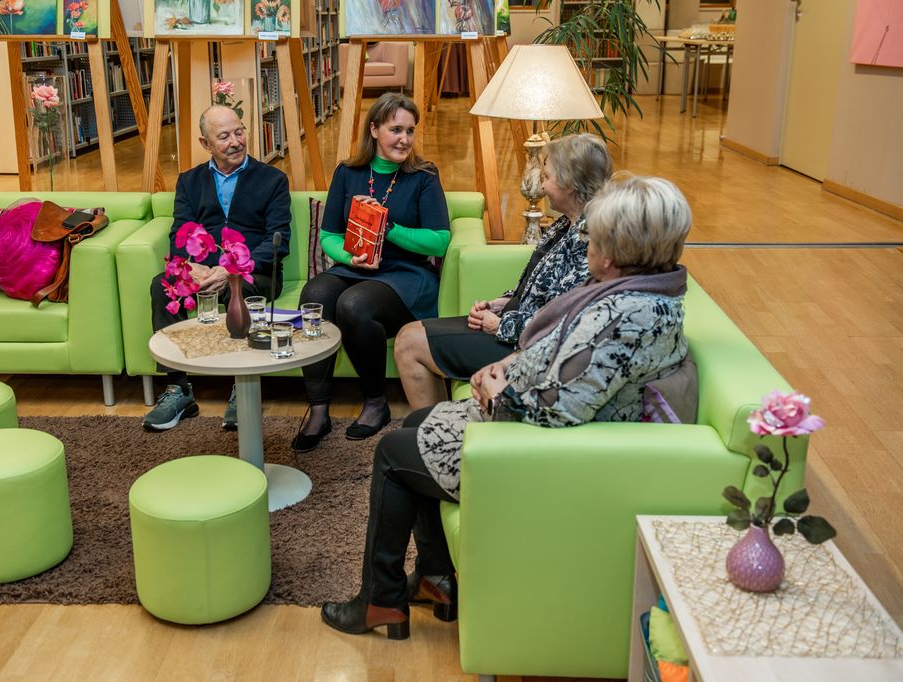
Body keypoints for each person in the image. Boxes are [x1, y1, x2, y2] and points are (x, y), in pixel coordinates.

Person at [320, 175, 696, 639]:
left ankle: (380, 600)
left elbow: (560, 411)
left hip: (539, 453)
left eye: (594, 238)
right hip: (539, 431)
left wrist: (498, 391)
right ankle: (435, 579)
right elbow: (567, 361)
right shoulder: (641, 294)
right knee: (416, 422)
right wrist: (509, 365)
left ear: (615, 252)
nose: (587, 245)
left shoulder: (624, 316)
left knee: (393, 453)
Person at [394, 133, 612, 410]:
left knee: (409, 342)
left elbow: (563, 323)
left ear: (570, 184)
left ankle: (429, 430)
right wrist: (502, 302)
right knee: (411, 333)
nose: (542, 186)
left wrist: (500, 325)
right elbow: (538, 287)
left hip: (526, 346)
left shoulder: (591, 240)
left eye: (547, 177)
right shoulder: (564, 225)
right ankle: (434, 424)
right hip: (513, 325)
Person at [292, 93, 450, 453]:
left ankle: (376, 402)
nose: (404, 139)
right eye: (396, 130)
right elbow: (329, 235)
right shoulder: (348, 173)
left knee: (353, 303)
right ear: (374, 130)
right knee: (314, 295)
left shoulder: (423, 176)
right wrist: (352, 257)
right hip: (356, 267)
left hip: (406, 274)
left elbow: (439, 241)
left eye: (410, 131)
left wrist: (387, 226)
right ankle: (318, 410)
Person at [143, 105, 291, 432]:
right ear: (205, 143)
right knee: (161, 285)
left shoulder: (273, 180)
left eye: (239, 132)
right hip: (203, 269)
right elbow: (180, 233)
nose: (235, 141)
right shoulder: (190, 181)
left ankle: (243, 387)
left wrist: (230, 271)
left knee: (239, 289)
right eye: (224, 136)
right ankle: (178, 388)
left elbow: (278, 241)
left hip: (254, 272)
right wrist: (191, 267)